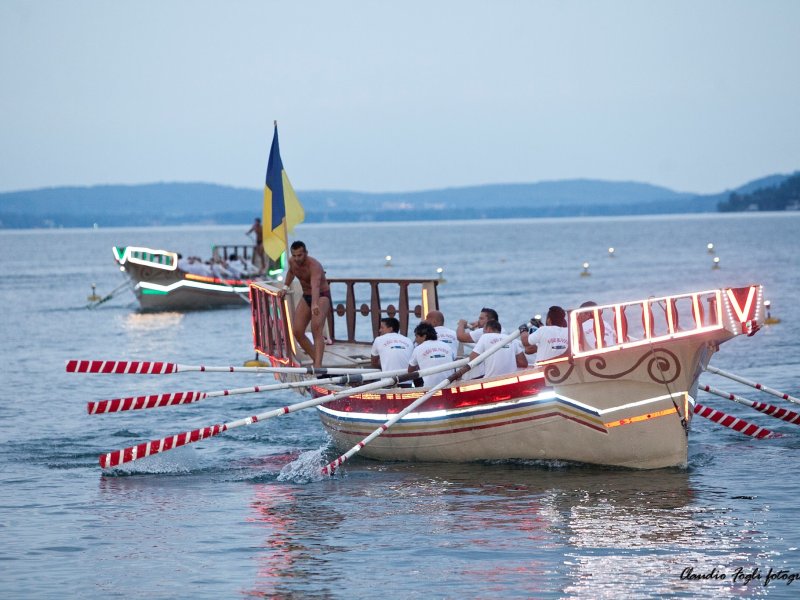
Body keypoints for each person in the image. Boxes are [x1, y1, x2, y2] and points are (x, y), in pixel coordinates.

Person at [278, 241, 332, 368]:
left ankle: (317, 366)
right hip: (306, 295)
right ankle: (317, 359)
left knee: (316, 329)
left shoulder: (314, 266)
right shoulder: (292, 262)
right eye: (294, 255)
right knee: (297, 331)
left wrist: (314, 304)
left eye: (300, 255)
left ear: (306, 253)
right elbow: (291, 272)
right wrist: (285, 287)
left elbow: (316, 285)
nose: (297, 258)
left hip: (321, 296)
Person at [408, 322, 456, 388]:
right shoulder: (447, 346)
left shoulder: (418, 348)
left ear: (424, 336)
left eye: (416, 336)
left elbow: (410, 371)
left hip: (431, 388)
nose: (416, 340)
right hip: (449, 385)